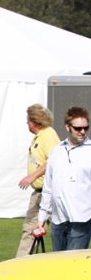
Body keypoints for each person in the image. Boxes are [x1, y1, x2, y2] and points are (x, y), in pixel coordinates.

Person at [36, 106, 91, 251]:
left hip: (81, 220)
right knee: (57, 267)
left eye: (86, 127)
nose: (83, 132)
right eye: (78, 128)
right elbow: (48, 187)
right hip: (58, 221)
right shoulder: (57, 151)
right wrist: (42, 218)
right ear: (68, 127)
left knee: (73, 267)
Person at [16, 104, 60, 256]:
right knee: (32, 228)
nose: (26, 123)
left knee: (31, 229)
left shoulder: (48, 136)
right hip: (39, 191)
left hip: (46, 192)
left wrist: (32, 176)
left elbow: (53, 160)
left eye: (28, 120)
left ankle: (20, 265)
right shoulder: (41, 136)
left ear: (34, 121)